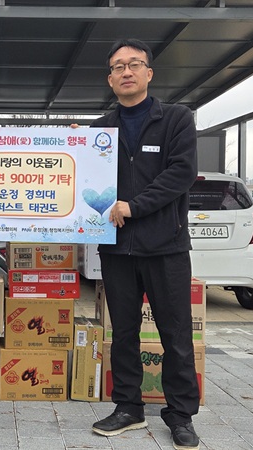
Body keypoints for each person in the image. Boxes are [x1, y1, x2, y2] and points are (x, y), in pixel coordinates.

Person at [90, 39, 200, 450]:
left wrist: (133, 207)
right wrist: (72, 148)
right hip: (117, 249)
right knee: (123, 333)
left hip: (166, 247)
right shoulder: (100, 129)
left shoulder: (176, 119)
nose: (126, 71)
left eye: (134, 64)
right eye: (118, 66)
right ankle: (128, 407)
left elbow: (180, 174)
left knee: (176, 334)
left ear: (149, 73)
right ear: (110, 79)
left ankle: (180, 415)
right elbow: (86, 180)